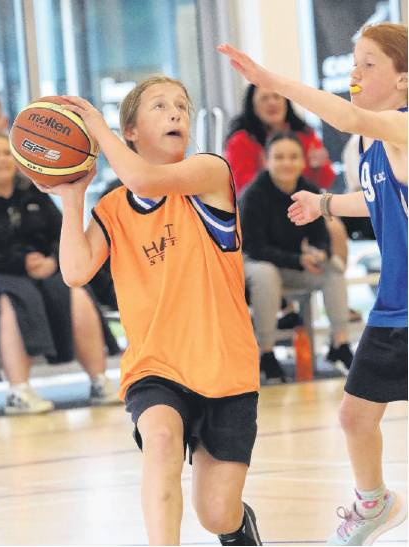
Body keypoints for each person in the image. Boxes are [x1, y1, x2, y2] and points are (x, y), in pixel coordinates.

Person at [32, 75, 262, 546]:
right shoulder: (115, 208)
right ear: (131, 130)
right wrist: (74, 194)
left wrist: (91, 124)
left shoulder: (208, 174)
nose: (176, 112)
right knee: (160, 441)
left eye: (182, 105)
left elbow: (141, 176)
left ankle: (238, 525)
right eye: (160, 106)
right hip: (155, 366)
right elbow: (74, 271)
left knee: (216, 514)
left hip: (226, 367)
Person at [219, 21, 407, 545]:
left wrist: (270, 80)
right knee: (354, 417)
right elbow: (371, 199)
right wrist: (325, 203)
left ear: (403, 81)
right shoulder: (376, 148)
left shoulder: (403, 126)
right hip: (395, 308)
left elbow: (345, 114)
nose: (356, 72)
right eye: (355, 62)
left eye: (370, 64)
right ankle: (375, 504)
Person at [0, 130, 121, 414]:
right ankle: (19, 390)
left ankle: (99, 380)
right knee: (9, 295)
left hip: (45, 269)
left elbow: (61, 231)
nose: (3, 159)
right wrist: (20, 263)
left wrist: (54, 260)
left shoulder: (33, 193)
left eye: (7, 153)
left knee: (74, 289)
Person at [225, 83, 356, 324]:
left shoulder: (304, 133)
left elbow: (322, 181)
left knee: (335, 227)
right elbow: (243, 189)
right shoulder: (241, 140)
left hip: (301, 207)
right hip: (263, 213)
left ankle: (337, 298)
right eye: (265, 98)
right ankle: (284, 306)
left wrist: (317, 166)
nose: (272, 102)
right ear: (252, 105)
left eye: (277, 96)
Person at [240, 131, 353, 382]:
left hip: (292, 264)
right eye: (279, 157)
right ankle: (266, 353)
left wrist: (319, 253)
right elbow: (253, 247)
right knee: (266, 273)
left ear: (302, 161)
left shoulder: (309, 190)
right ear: (266, 161)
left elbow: (320, 235)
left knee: (332, 266)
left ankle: (340, 344)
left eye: (293, 157)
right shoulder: (254, 195)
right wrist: (298, 260)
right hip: (255, 266)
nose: (286, 163)